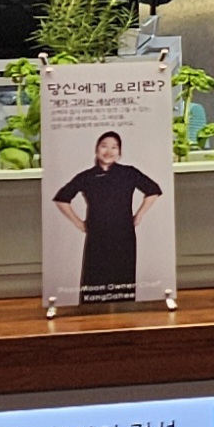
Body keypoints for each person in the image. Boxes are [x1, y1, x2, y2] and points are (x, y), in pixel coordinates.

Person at [53, 130, 164, 304]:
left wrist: (139, 215)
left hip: (124, 234)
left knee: (123, 278)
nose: (108, 151)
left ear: (119, 152)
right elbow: (62, 198)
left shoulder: (128, 173)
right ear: (97, 149)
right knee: (94, 279)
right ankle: (93, 315)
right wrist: (78, 223)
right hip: (97, 234)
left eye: (114, 147)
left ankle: (123, 314)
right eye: (104, 146)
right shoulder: (87, 176)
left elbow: (153, 190)